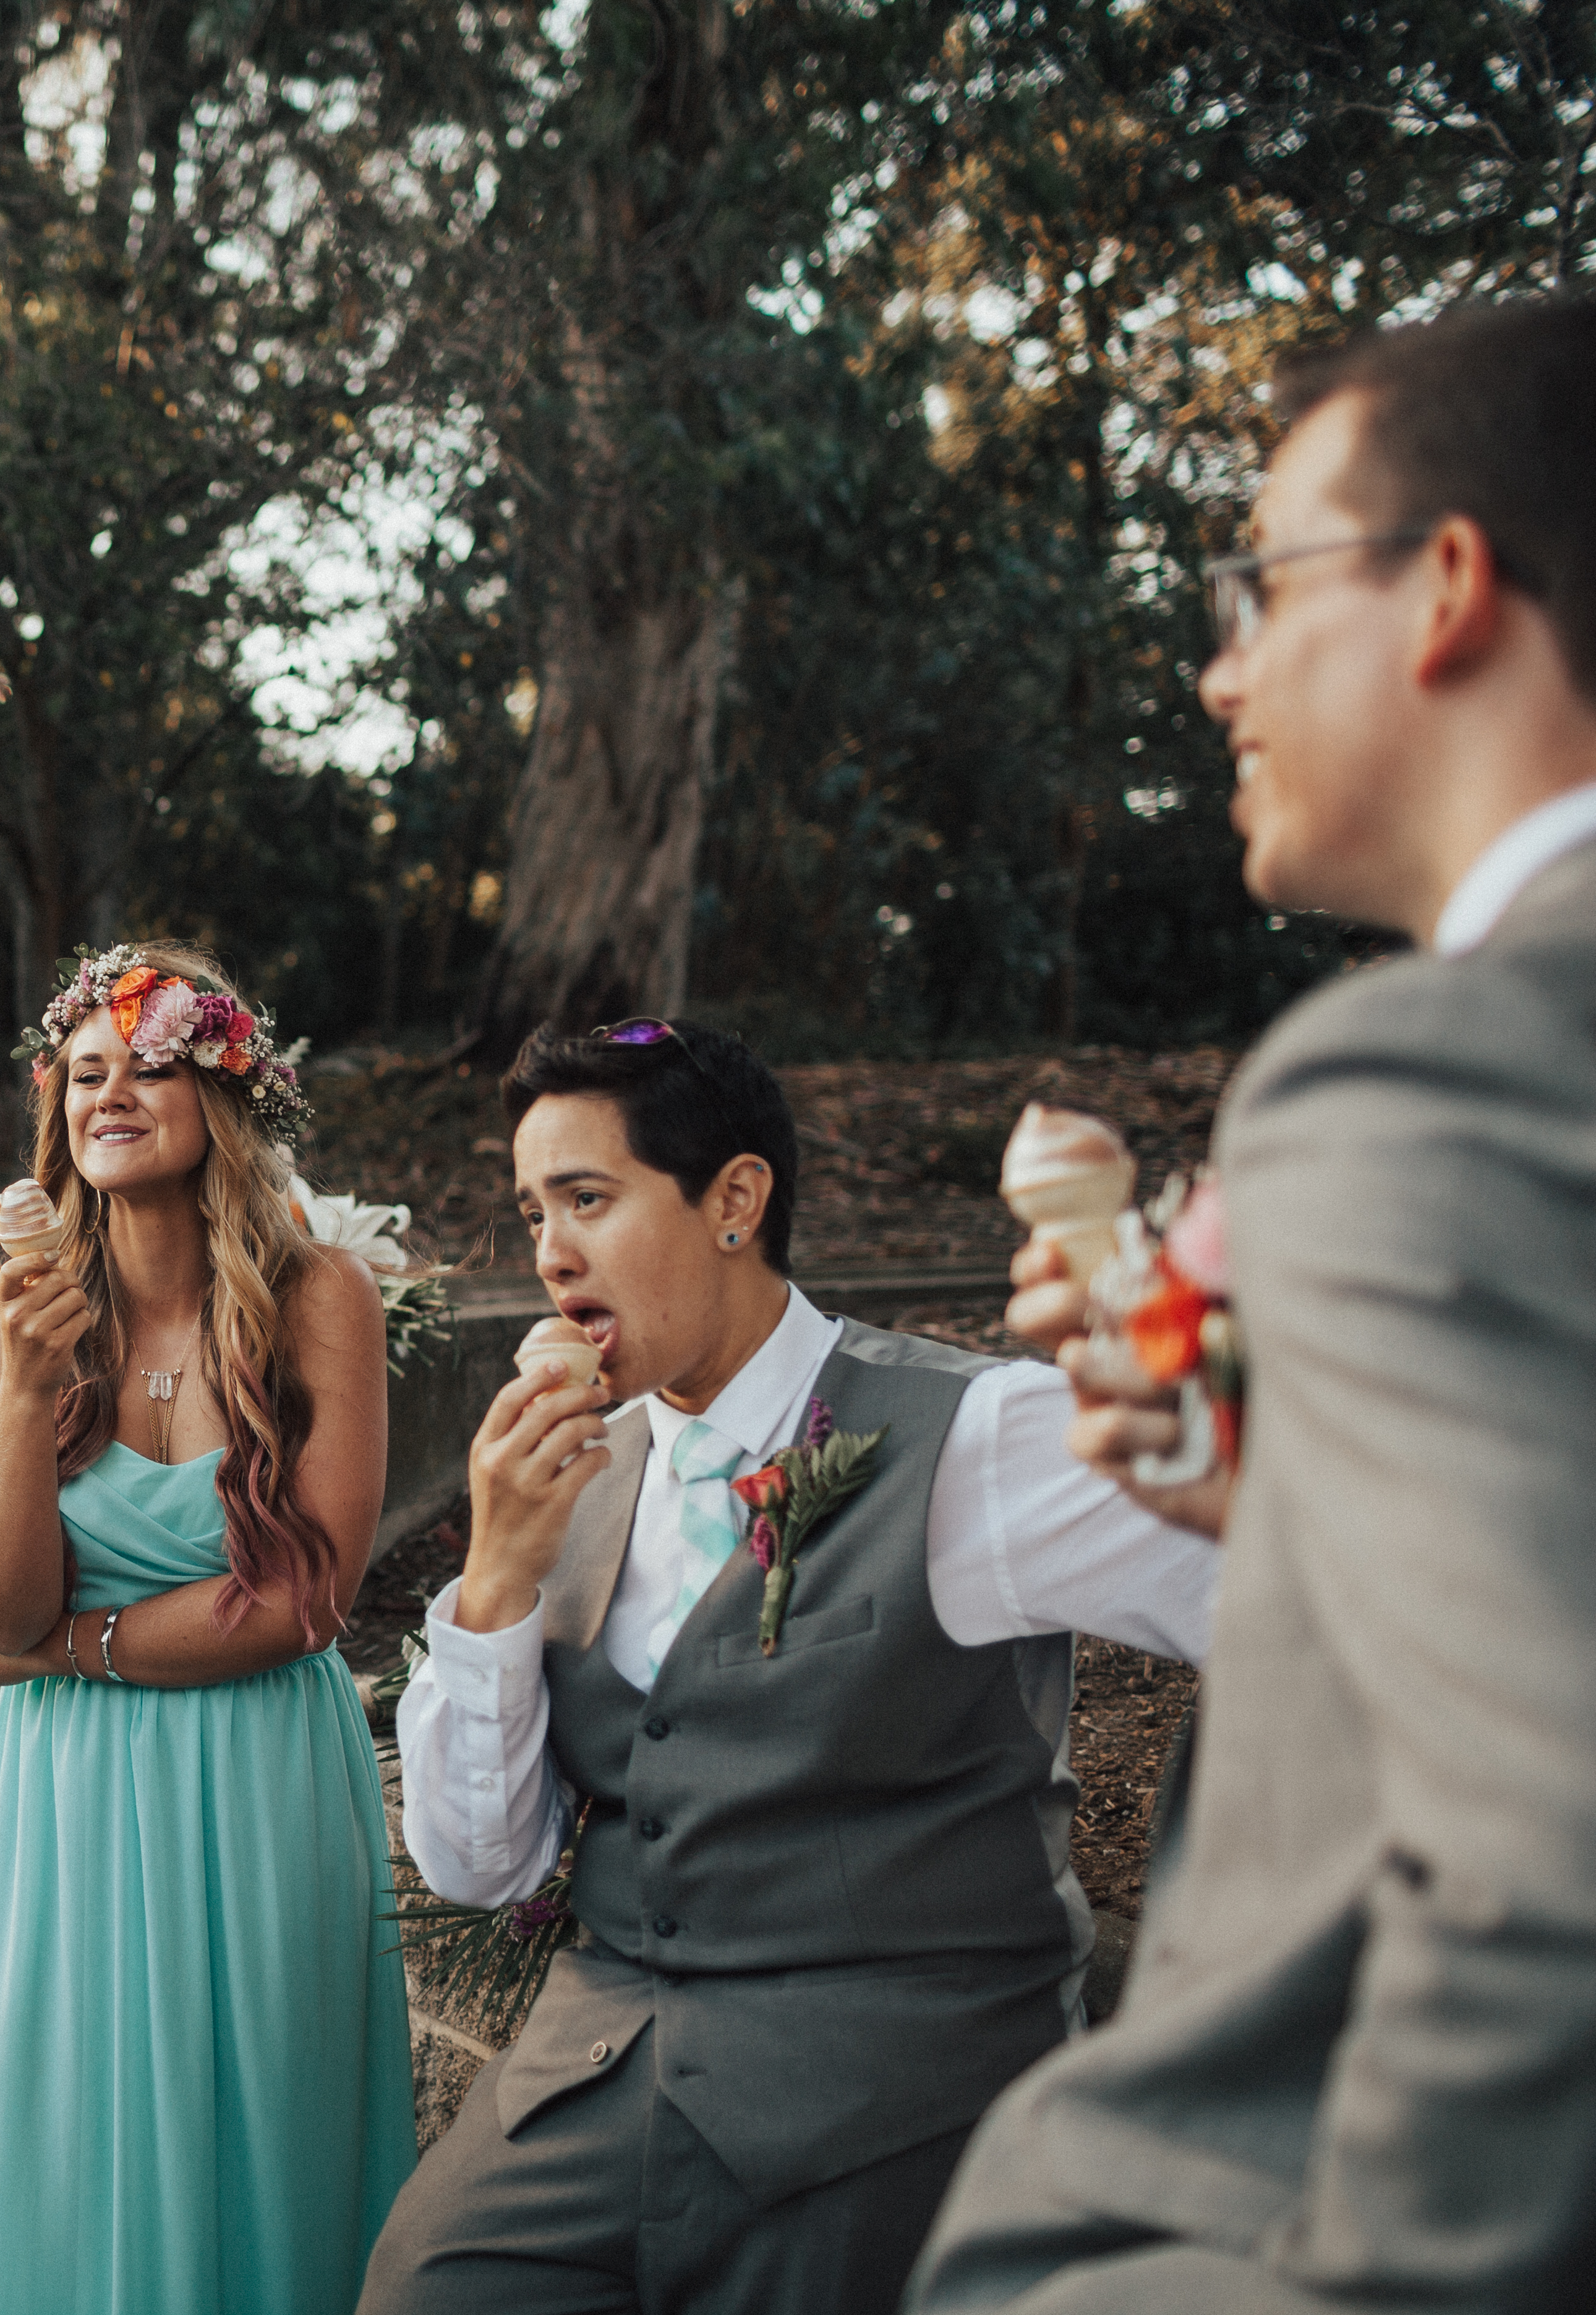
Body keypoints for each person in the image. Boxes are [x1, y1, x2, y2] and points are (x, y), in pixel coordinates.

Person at [911, 297, 1596, 2310]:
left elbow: (1551, 1839)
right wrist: (1284, 1503)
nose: (1219, 673)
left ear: (1447, 586)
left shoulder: (1421, 1071)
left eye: (1261, 584)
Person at [354, 1017, 1223, 2315]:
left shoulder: (975, 1439)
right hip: (596, 2077)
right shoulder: (564, 1482)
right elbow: (483, 1868)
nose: (549, 1253)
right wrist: (495, 1577)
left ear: (735, 1201)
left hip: (885, 2091)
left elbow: (1286, 1580)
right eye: (534, 1211)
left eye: (587, 1198)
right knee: (427, 2292)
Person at [0, 941, 417, 2315]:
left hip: (263, 1784)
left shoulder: (321, 1300)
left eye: (149, 1059)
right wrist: (24, 1402)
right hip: (67, 1800)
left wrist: (74, 1650)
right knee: (64, 2144)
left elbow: (305, 1595)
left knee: (264, 2130)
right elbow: (4, 1602)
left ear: (224, 1088)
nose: (111, 1090)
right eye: (85, 1071)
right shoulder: (11, 1324)